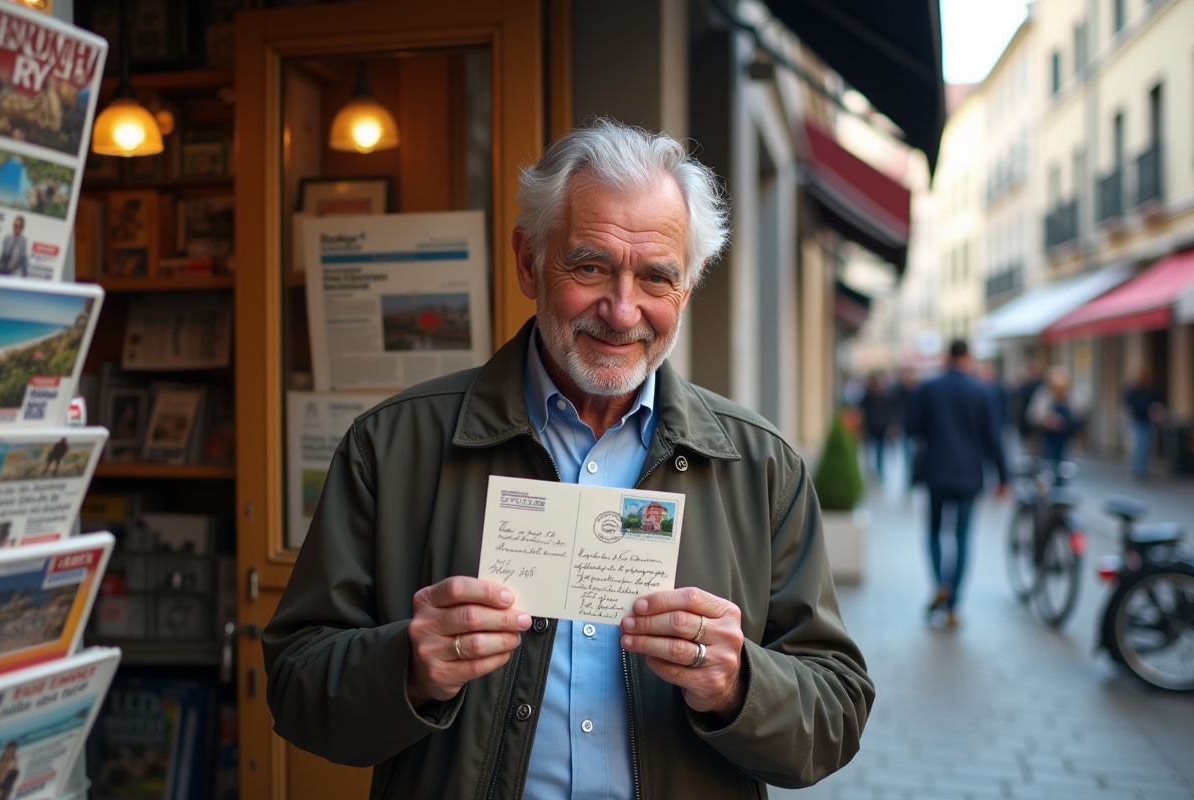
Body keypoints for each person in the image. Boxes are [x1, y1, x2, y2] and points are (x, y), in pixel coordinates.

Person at [263, 120, 873, 799]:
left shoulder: (760, 466)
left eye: (656, 277)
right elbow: (294, 686)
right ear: (529, 262)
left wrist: (738, 685)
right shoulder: (392, 444)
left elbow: (836, 714)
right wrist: (407, 666)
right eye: (590, 267)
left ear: (689, 286)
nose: (622, 311)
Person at [905, 340, 1007, 628]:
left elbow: (912, 427)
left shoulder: (929, 388)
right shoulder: (982, 391)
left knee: (934, 532)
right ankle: (954, 602)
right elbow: (993, 437)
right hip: (969, 474)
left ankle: (940, 584)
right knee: (962, 536)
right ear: (968, 358)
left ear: (947, 357)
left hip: (936, 470)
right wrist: (1004, 476)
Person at [1027, 365, 1085, 464]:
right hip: (1046, 439)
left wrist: (1067, 422)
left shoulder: (1072, 397)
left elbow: (1079, 414)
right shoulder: (1043, 395)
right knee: (1047, 464)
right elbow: (1033, 415)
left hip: (1066, 439)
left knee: (1064, 463)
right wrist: (1048, 420)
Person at [1123, 367, 1165, 479]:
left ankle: (1144, 469)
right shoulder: (1133, 391)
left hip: (1149, 421)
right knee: (1139, 445)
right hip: (1137, 420)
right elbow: (1128, 405)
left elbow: (1156, 404)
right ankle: (1138, 469)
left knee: (1147, 446)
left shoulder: (1152, 390)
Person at [859, 374, 896, 480]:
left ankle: (878, 471)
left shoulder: (885, 396)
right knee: (872, 451)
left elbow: (890, 412)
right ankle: (873, 471)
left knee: (878, 450)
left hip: (880, 427)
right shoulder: (869, 396)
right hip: (872, 427)